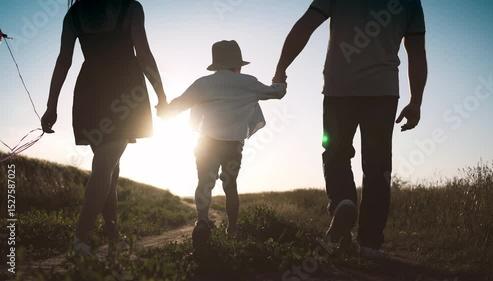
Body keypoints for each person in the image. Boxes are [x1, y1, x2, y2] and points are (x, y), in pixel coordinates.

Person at [273, 0, 428, 257]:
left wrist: (281, 68)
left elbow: (305, 26)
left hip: (339, 90)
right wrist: (416, 102)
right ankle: (369, 244)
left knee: (335, 152)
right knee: (378, 167)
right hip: (383, 93)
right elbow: (417, 51)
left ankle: (343, 202)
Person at [41, 0, 168, 256]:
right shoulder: (130, 7)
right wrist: (161, 95)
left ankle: (113, 238)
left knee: (109, 166)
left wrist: (52, 106)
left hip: (90, 92)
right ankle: (80, 240)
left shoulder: (74, 13)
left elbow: (64, 60)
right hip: (125, 91)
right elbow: (143, 54)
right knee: (106, 165)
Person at [160, 40, 287, 251]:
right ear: (237, 65)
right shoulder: (247, 82)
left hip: (206, 143)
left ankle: (202, 220)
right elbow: (276, 92)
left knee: (204, 183)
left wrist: (164, 107)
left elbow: (180, 104)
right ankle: (232, 229)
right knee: (230, 187)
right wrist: (280, 80)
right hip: (233, 145)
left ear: (216, 64)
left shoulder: (202, 83)